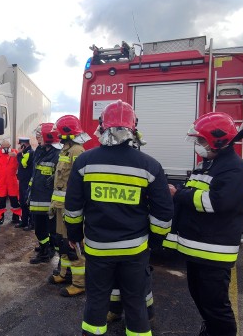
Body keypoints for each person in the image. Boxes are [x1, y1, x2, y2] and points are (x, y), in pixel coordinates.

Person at [64, 100, 173, 336]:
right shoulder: (150, 166)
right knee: (135, 303)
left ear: (102, 127)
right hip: (135, 250)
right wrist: (154, 242)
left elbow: (72, 208)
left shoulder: (85, 162)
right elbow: (163, 213)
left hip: (98, 248)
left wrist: (74, 236)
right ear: (133, 128)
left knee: (96, 302)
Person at [163, 112, 243, 336]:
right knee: (201, 300)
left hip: (214, 253)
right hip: (198, 248)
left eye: (201, 140)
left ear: (218, 140)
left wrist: (178, 195)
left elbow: (215, 203)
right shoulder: (210, 164)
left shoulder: (236, 170)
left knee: (216, 307)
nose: (199, 145)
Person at [48, 115, 90, 297]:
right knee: (62, 242)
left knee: (74, 244)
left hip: (70, 207)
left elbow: (80, 182)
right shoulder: (65, 151)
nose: (56, 135)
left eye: (59, 132)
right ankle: (64, 274)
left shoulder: (77, 151)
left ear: (67, 133)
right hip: (59, 205)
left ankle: (79, 283)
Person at [28, 123, 61, 264]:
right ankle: (45, 247)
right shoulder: (40, 151)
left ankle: (45, 252)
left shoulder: (57, 154)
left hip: (47, 200)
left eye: (40, 134)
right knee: (40, 228)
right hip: (37, 197)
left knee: (45, 229)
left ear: (48, 136)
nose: (37, 137)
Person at [0, 139, 22, 225]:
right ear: (1, 147)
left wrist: (17, 156)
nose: (6, 149)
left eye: (7, 147)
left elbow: (23, 163)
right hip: (1, 181)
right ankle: (0, 218)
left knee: (15, 201)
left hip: (12, 181)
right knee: (0, 202)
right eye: (4, 147)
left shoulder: (15, 153)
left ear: (10, 146)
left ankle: (16, 218)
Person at [15, 137, 35, 230]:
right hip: (23, 181)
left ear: (24, 144)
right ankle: (24, 221)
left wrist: (18, 154)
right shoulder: (26, 153)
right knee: (23, 202)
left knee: (28, 202)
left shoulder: (29, 153)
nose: (19, 146)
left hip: (27, 181)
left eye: (20, 144)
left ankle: (31, 223)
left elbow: (24, 164)